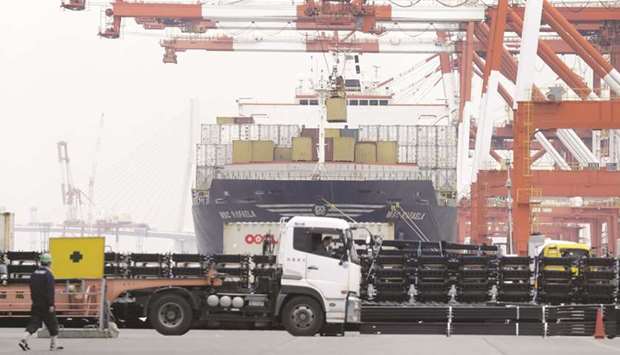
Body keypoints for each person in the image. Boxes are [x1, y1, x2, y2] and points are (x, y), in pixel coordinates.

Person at [19, 253, 63, 351]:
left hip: (36, 303)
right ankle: (53, 345)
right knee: (53, 324)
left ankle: (24, 338)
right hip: (46, 304)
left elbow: (32, 289)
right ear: (49, 263)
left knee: (34, 323)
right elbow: (50, 291)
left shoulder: (34, 274)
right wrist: (51, 304)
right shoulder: (49, 275)